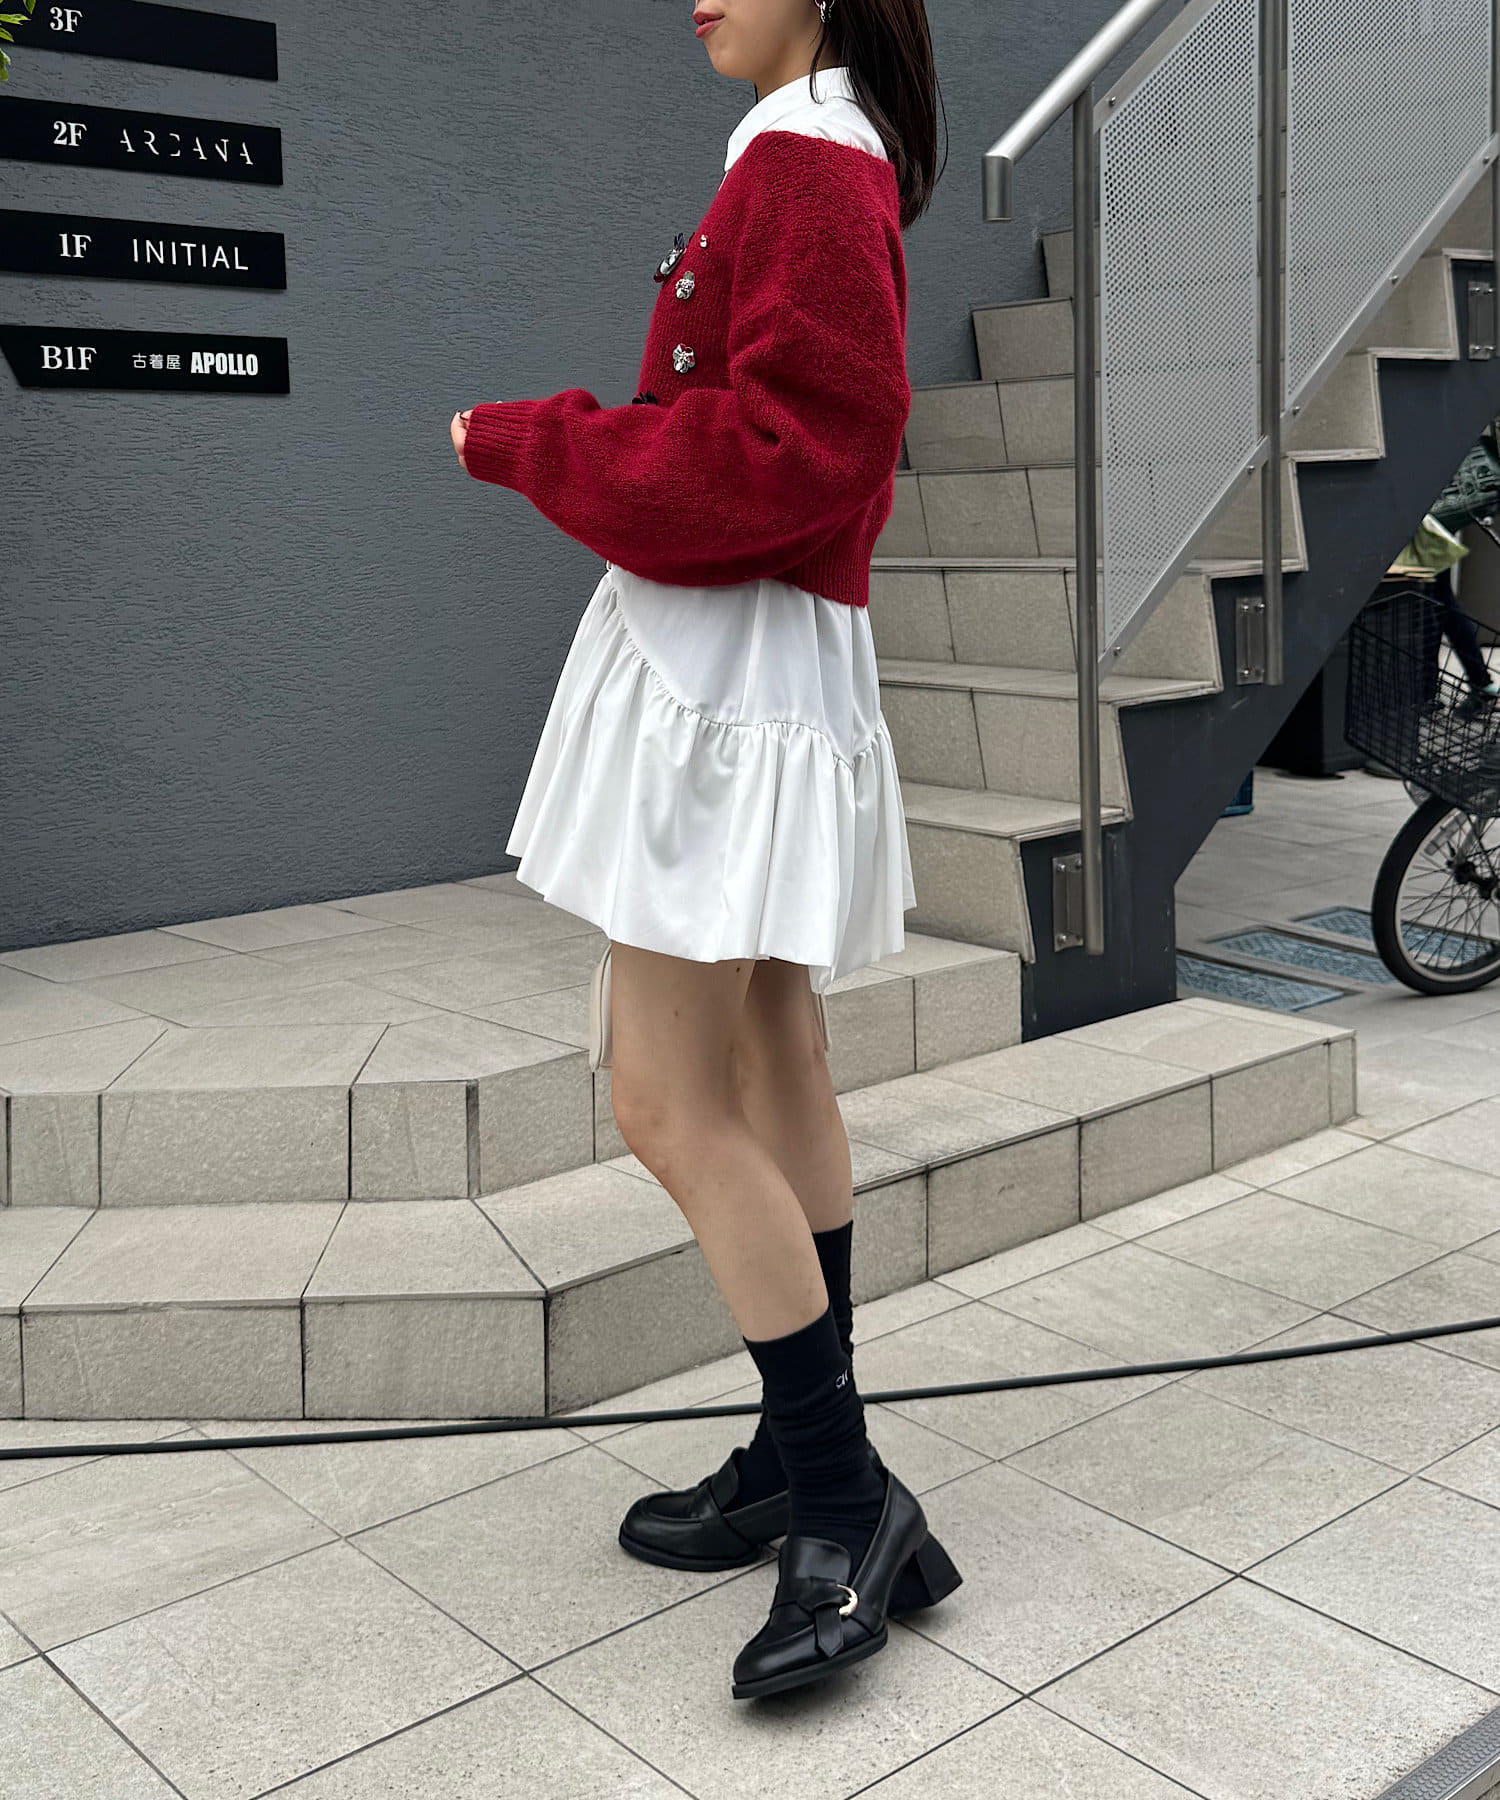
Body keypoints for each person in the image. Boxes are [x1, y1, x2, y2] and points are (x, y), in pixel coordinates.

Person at [450, 0, 962, 1701]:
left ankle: (841, 1497)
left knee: (668, 1100)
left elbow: (800, 445)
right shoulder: (822, 149)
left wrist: (534, 439)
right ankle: (802, 1463)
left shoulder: (806, 158)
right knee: (769, 1054)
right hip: (760, 668)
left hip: (724, 675)